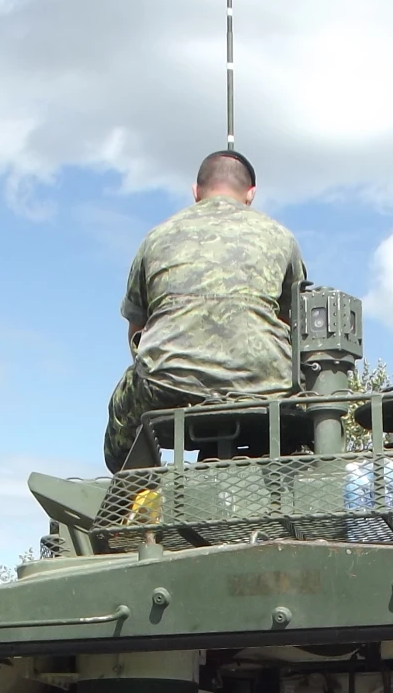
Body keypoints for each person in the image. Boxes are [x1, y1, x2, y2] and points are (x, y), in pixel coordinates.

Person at [103, 150, 307, 471]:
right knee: (306, 416)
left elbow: (137, 331)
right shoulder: (281, 237)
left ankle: (136, 501)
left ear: (195, 192)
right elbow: (294, 322)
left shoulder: (156, 238)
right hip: (266, 388)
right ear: (251, 194)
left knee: (121, 410)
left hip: (168, 386)